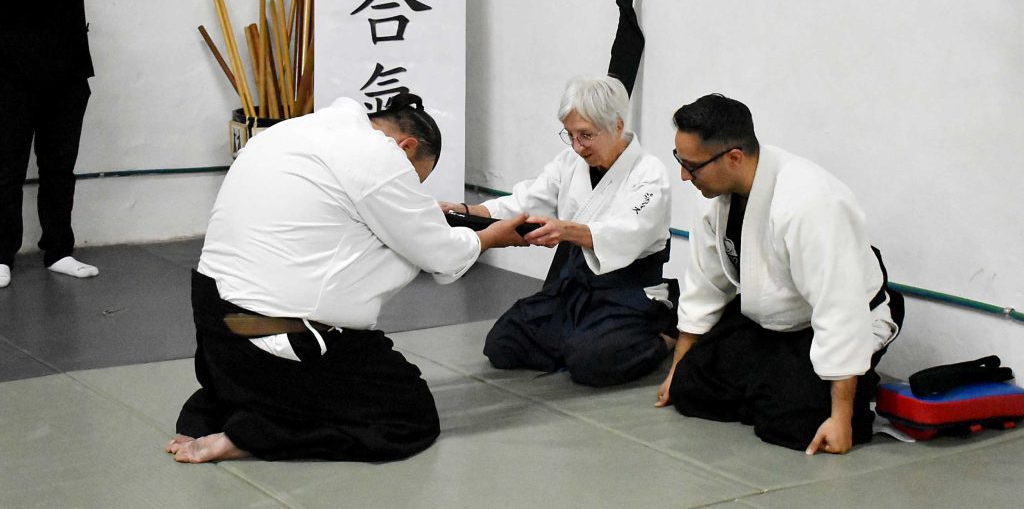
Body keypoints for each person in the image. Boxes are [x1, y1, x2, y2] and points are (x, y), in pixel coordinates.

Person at [166, 93, 527, 463]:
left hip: (217, 336)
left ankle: (217, 409)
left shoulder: (290, 131)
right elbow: (441, 254)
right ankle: (256, 436)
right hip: (276, 335)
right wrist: (491, 238)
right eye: (414, 179)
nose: (412, 189)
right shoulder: (377, 155)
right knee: (409, 415)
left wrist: (421, 216)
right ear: (406, 146)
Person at [655, 94, 903, 455]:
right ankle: (778, 385)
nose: (683, 175)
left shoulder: (810, 202)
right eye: (680, 160)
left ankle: (855, 389)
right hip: (769, 318)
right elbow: (705, 286)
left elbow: (839, 308)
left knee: (793, 426)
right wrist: (677, 368)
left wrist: (841, 417)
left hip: (844, 312)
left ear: (733, 157)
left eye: (690, 166)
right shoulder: (712, 189)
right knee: (690, 389)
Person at [442, 76, 675, 387]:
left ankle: (664, 336)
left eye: (586, 136)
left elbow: (627, 230)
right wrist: (466, 212)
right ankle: (581, 336)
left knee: (590, 363)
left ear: (618, 127)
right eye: (571, 135)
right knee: (503, 343)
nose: (577, 147)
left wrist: (567, 231)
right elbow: (526, 200)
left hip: (627, 291)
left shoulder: (649, 175)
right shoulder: (569, 162)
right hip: (576, 287)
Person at [0, 0, 118, 288]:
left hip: (67, 68)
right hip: (8, 68)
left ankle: (59, 250)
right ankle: (1, 253)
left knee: (59, 165)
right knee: (6, 166)